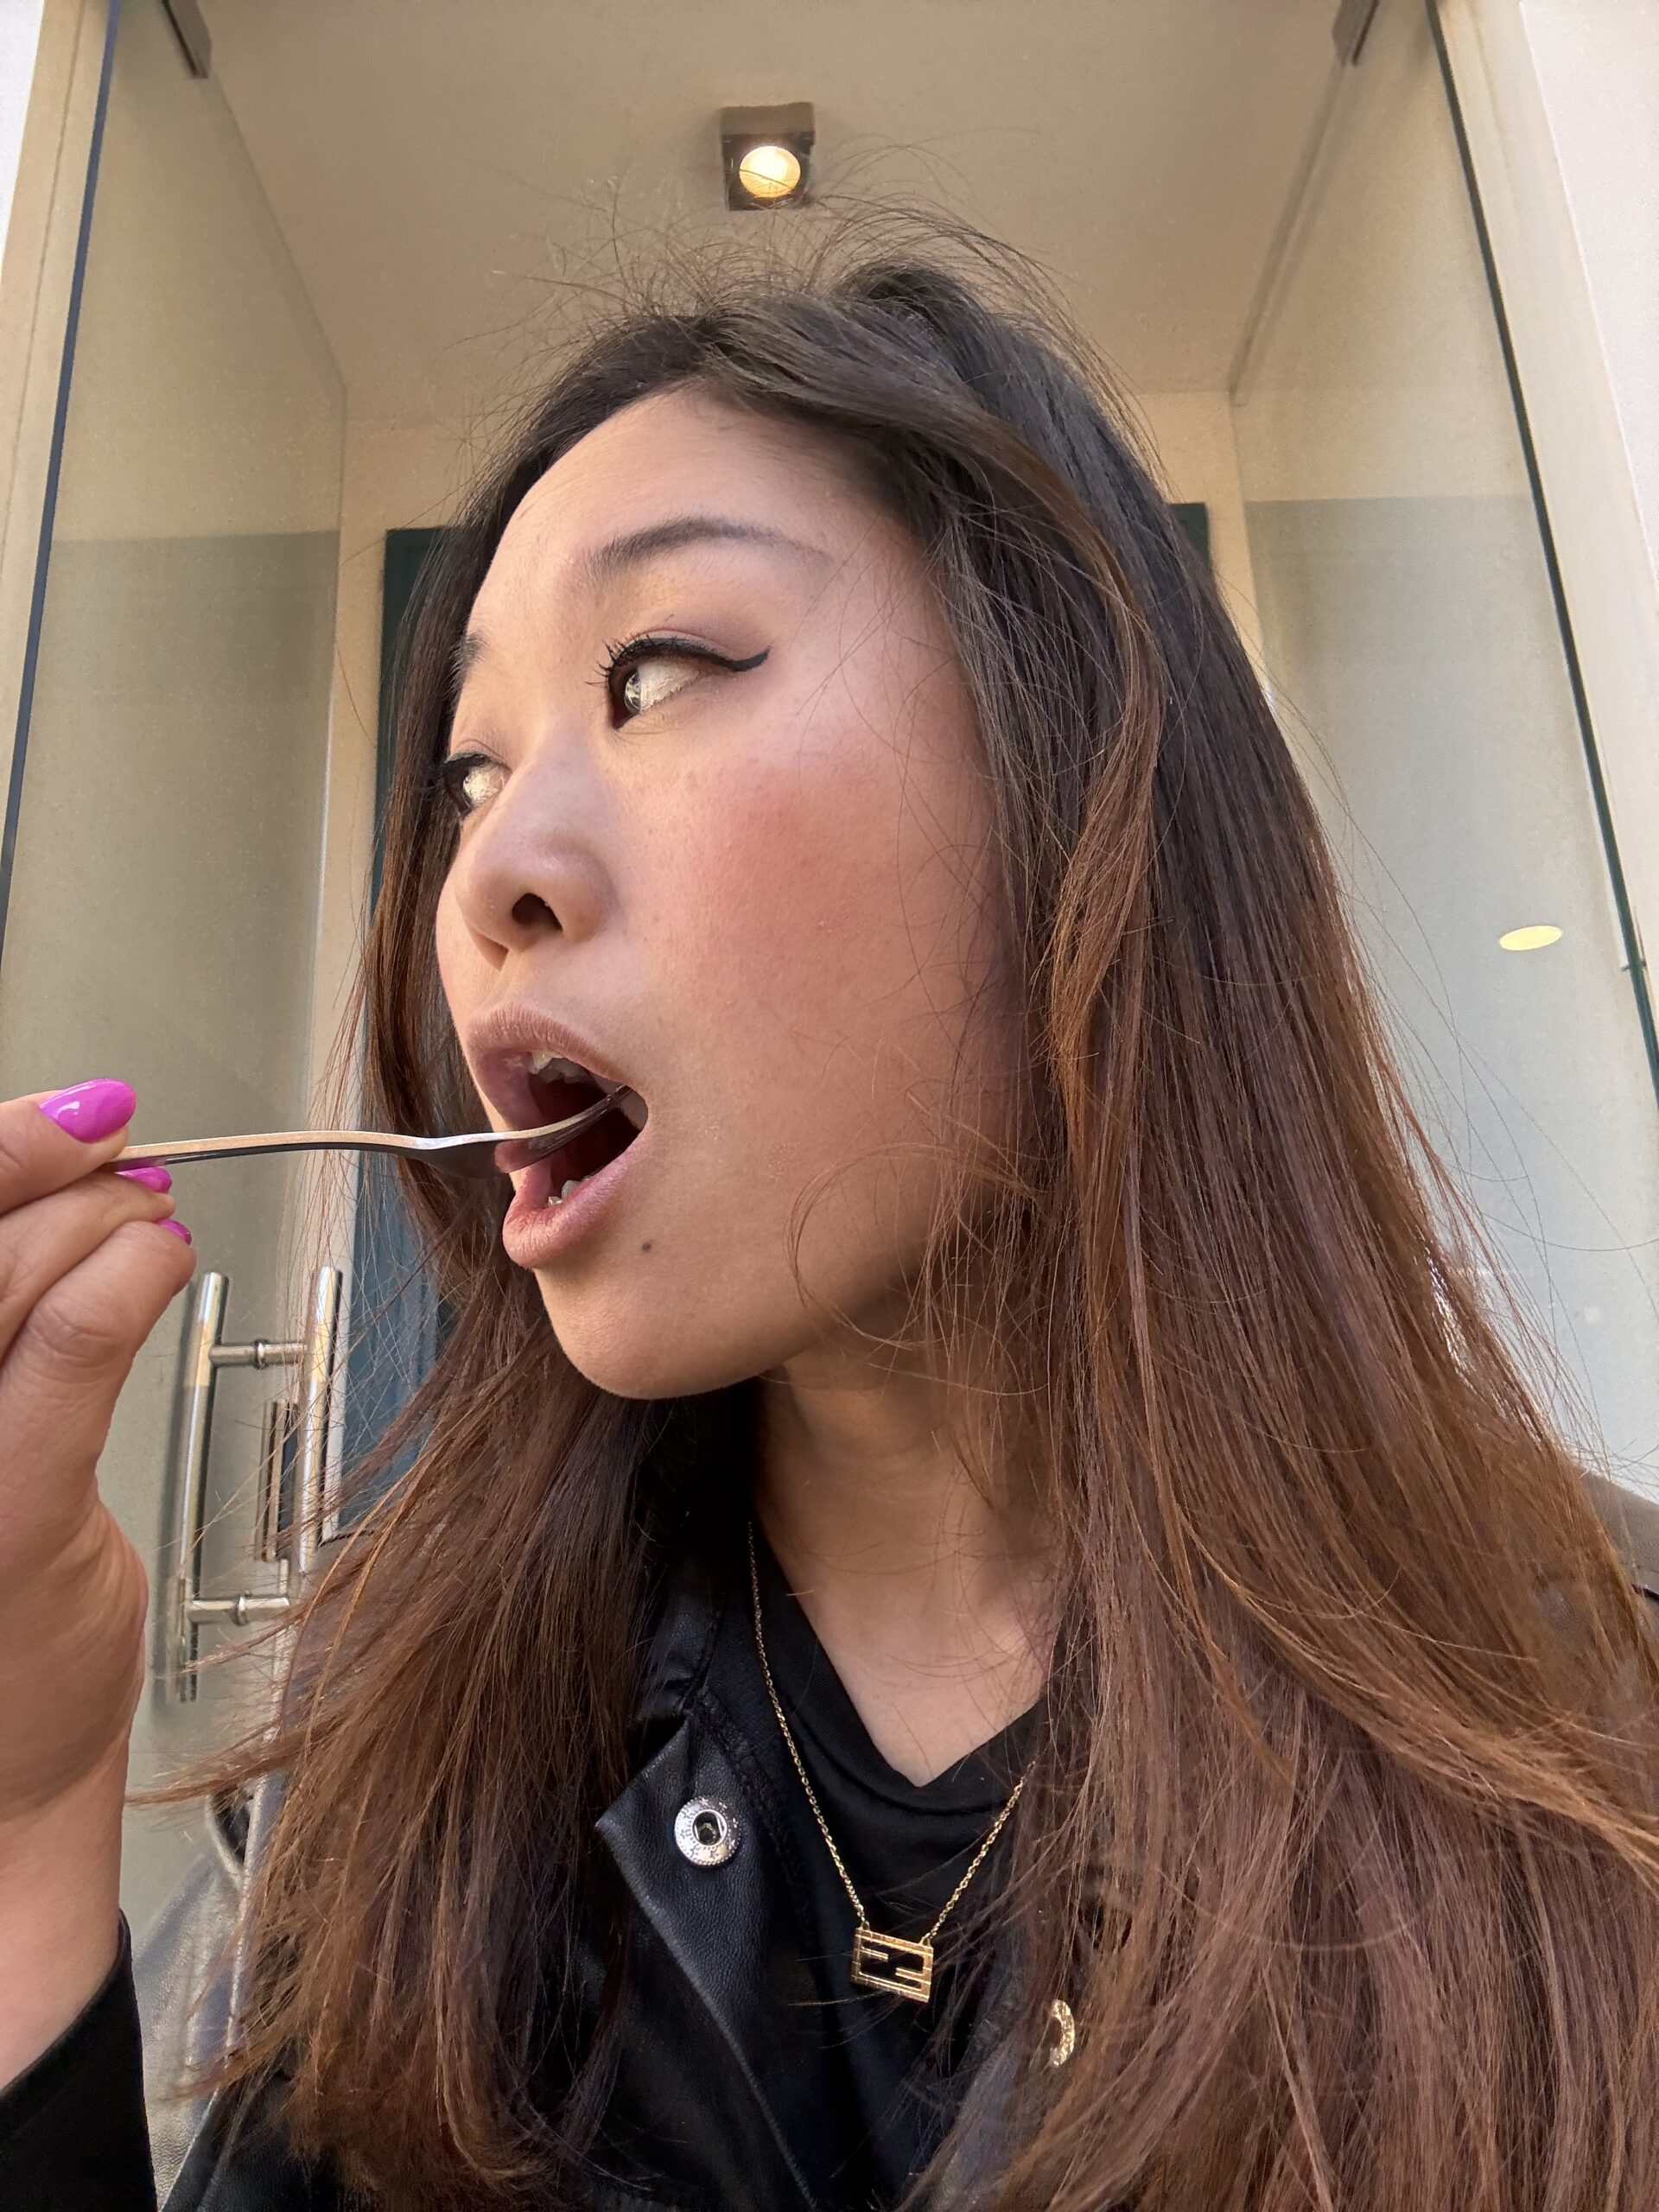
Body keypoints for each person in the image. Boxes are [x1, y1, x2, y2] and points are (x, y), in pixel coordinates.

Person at [2, 230, 1658, 2212]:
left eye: (657, 671)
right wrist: (26, 1811)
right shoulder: (429, 1733)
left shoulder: (1598, 1712)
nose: (489, 867)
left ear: (1073, 771)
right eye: (464, 772)